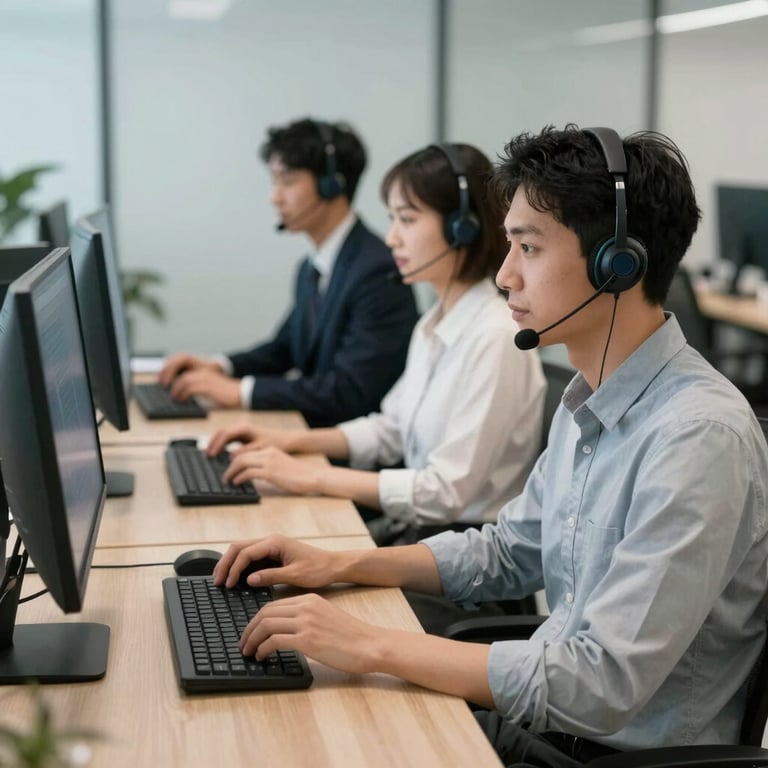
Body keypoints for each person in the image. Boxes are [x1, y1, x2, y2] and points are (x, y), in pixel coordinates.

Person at [212, 125, 768, 765]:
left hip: (601, 751)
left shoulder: (697, 438)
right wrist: (340, 564)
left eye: (527, 248)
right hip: (551, 716)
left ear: (618, 262)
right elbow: (510, 550)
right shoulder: (589, 397)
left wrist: (370, 644)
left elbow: (599, 686)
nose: (504, 276)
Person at [205, 143, 545, 537]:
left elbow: (445, 491)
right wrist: (287, 440)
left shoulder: (495, 337)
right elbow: (390, 430)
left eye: (408, 219)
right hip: (421, 534)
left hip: (467, 561)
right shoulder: (433, 323)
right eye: (392, 219)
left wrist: (312, 477)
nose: (392, 239)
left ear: (461, 227)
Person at [159, 117, 418, 428]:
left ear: (331, 184)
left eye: (288, 181)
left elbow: (349, 391)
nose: (275, 197)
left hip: (352, 453)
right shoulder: (312, 266)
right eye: (274, 182)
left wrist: (240, 392)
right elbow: (286, 347)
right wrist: (220, 366)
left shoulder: (378, 271)